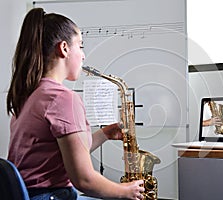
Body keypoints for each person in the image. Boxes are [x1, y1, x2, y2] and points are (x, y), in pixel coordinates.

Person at [6, 8, 144, 200]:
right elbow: (84, 180)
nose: (83, 55)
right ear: (63, 48)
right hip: (53, 196)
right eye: (80, 46)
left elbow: (65, 153)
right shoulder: (63, 99)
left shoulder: (30, 93)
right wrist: (127, 191)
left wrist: (104, 134)